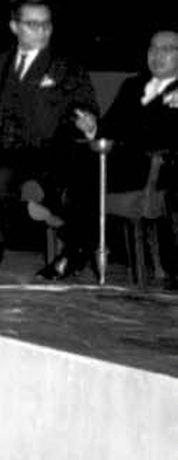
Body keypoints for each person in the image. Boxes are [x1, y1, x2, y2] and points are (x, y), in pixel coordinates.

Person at [0, 0, 97, 273]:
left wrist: (87, 121)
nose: (42, 30)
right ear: (14, 27)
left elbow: (84, 103)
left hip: (43, 149)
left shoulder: (64, 65)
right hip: (6, 144)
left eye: (46, 24)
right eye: (32, 24)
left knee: (2, 175)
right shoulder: (2, 61)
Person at [68, 29, 178, 283]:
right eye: (152, 48)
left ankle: (75, 247)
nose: (156, 55)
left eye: (166, 49)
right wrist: (92, 127)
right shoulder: (132, 86)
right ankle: (77, 244)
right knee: (78, 159)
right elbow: (108, 129)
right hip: (120, 166)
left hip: (159, 170)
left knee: (85, 176)